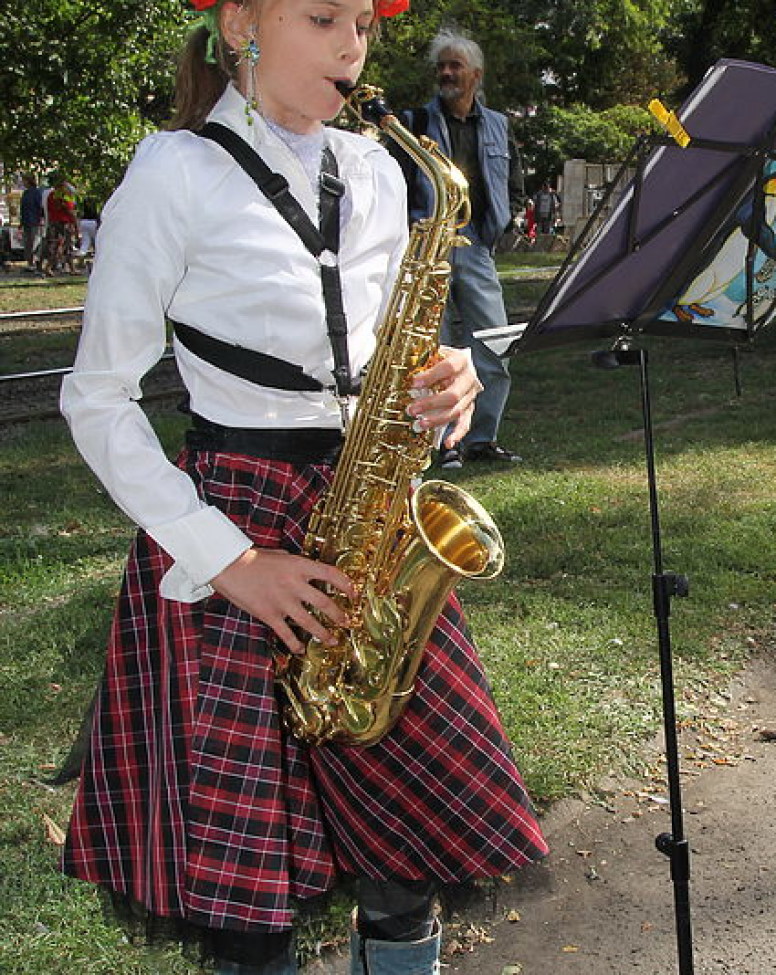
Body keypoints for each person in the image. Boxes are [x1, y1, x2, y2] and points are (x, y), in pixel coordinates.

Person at [57, 3, 547, 974]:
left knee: (410, 854)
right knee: (246, 894)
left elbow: (376, 361)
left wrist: (439, 386)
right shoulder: (171, 174)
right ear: (240, 22)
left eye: (362, 22)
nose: (352, 45)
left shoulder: (373, 171)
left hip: (362, 522)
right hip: (235, 538)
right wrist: (232, 564)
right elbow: (96, 399)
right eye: (322, 16)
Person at [398, 28, 527, 468]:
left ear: (475, 74)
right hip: (428, 246)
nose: (446, 73)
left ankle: (481, 439)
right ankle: (441, 447)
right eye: (441, 66)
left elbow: (513, 180)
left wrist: (504, 222)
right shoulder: (413, 123)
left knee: (492, 343)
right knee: (433, 349)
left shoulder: (498, 125)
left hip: (475, 246)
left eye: (455, 66)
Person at [44, 175, 79, 274]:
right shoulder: (65, 195)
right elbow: (70, 212)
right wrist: (76, 227)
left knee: (55, 245)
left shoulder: (51, 195)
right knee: (66, 245)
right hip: (64, 223)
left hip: (53, 222)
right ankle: (68, 268)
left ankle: (50, 267)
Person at [20, 173, 45, 272]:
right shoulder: (26, 193)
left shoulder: (36, 193)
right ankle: (30, 263)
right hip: (27, 221)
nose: (23, 182)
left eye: (24, 180)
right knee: (28, 242)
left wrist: (41, 218)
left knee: (34, 242)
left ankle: (36, 262)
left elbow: (40, 207)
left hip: (35, 221)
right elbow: (23, 209)